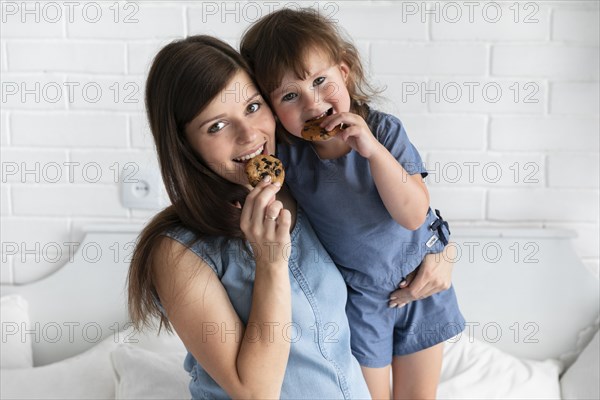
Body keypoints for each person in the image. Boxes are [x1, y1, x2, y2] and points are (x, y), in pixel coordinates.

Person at [127, 35, 457, 400]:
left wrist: (437, 246)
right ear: (184, 145)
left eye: (253, 107)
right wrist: (270, 262)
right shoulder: (178, 253)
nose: (249, 135)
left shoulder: (301, 182)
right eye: (216, 126)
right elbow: (256, 392)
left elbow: (382, 222)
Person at [240, 8, 465, 399]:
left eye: (321, 81)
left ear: (344, 74)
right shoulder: (291, 161)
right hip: (361, 299)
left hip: (420, 279)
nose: (312, 104)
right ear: (274, 110)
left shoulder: (382, 131)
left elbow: (413, 215)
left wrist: (373, 152)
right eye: (290, 96)